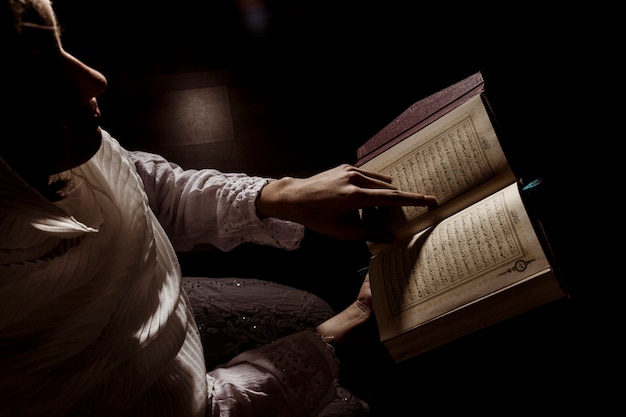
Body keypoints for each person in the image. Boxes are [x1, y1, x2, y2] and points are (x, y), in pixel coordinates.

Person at [0, 0, 437, 416]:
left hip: (155, 295)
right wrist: (352, 324)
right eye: (40, 85)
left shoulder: (48, 156)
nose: (95, 80)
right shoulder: (20, 368)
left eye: (57, 45)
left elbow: (147, 189)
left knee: (311, 311)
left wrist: (279, 196)